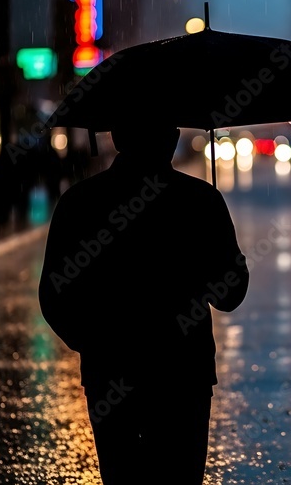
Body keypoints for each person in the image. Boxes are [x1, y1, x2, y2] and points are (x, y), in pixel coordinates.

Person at [38, 124, 249, 484]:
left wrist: (92, 342)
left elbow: (54, 295)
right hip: (183, 375)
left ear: (118, 137)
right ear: (172, 138)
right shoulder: (199, 201)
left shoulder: (81, 201)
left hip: (110, 372)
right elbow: (230, 295)